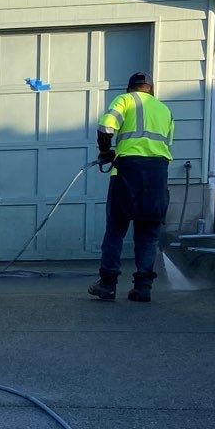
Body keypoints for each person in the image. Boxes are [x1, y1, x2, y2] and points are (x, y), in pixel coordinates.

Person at [88, 72, 175, 304]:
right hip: (157, 175)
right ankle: (143, 288)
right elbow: (167, 144)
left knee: (116, 231)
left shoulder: (124, 100)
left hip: (127, 173)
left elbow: (106, 127)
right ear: (151, 89)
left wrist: (106, 152)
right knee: (147, 234)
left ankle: (107, 285)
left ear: (131, 88)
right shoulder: (165, 110)